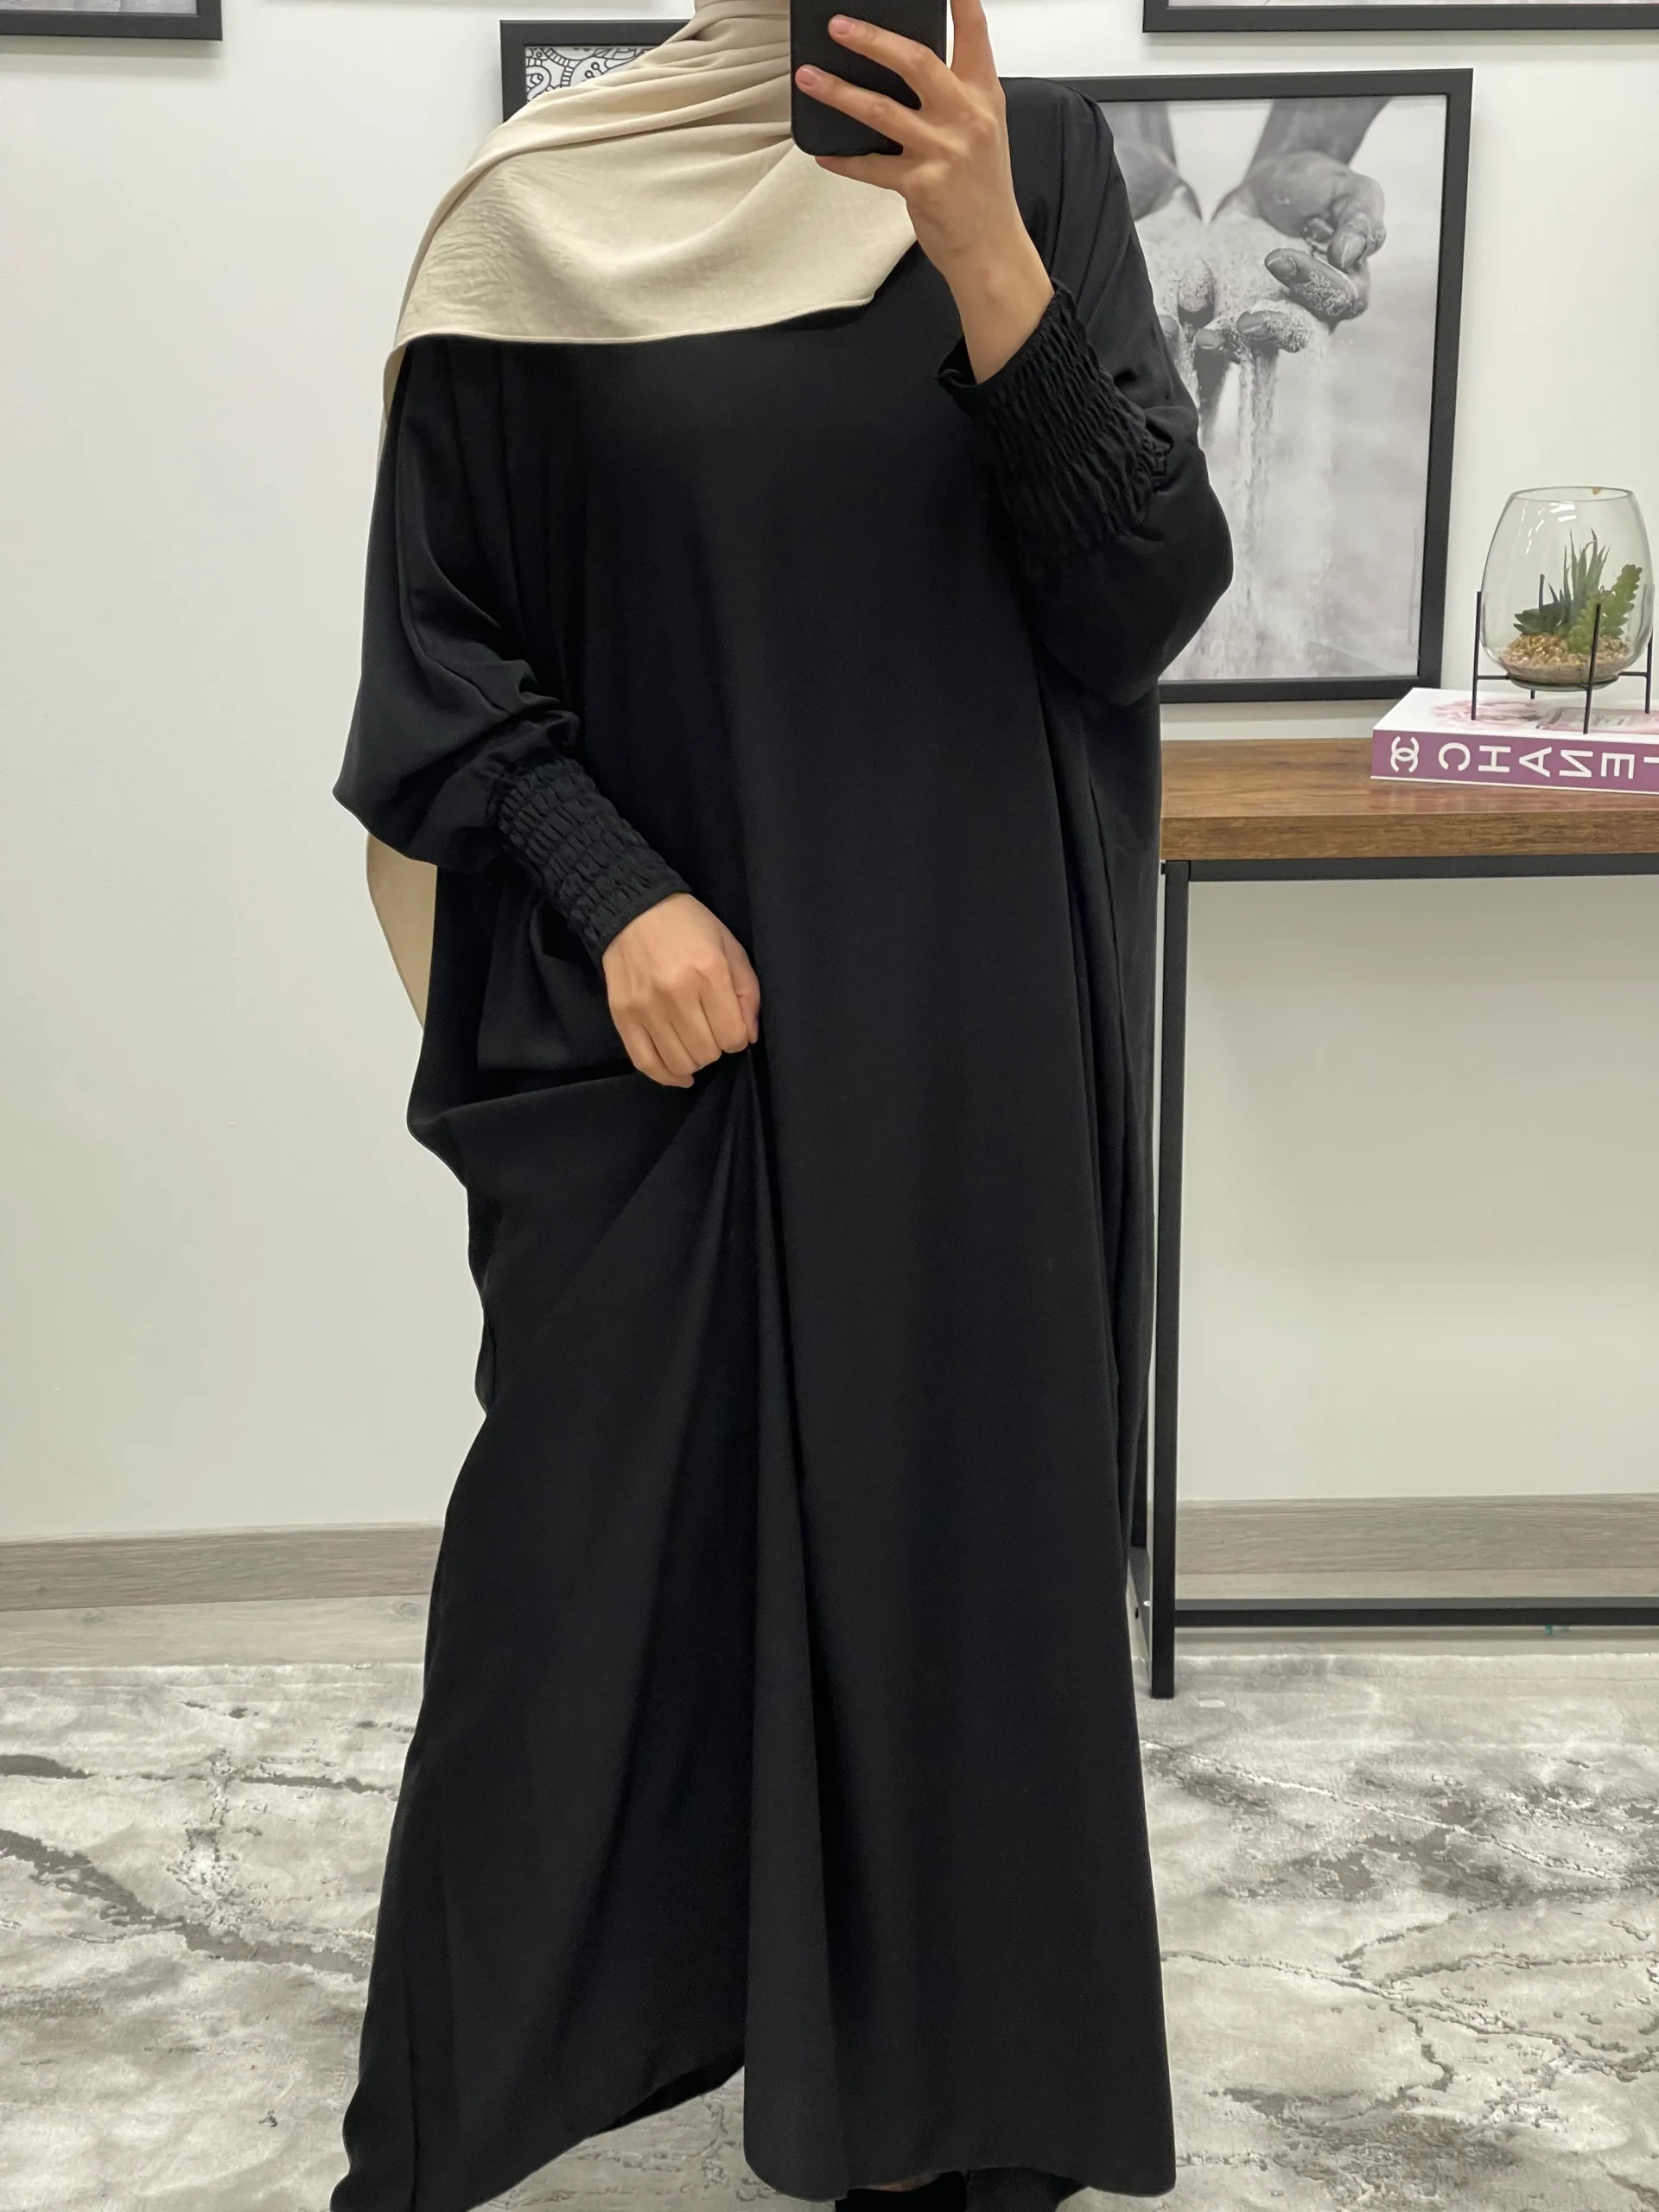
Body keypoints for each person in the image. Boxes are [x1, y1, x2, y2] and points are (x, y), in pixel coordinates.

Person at [327, 0, 1232, 2206]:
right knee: (572, 1583)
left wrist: (986, 249)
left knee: (952, 1564)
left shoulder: (1040, 161)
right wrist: (612, 888)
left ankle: (955, 2128)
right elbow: (440, 649)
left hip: (967, 1028)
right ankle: (452, 2122)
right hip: (674, 1035)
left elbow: (1138, 602)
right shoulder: (544, 214)